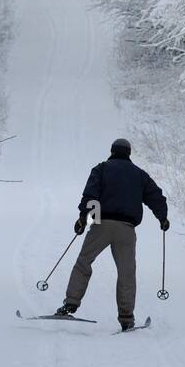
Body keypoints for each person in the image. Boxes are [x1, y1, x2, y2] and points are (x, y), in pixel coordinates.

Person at [55, 137, 168, 330]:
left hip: (102, 224)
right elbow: (156, 197)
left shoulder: (101, 169)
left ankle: (70, 304)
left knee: (84, 262)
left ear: (112, 151)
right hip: (127, 229)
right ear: (129, 153)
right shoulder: (139, 175)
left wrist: (84, 219)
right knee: (127, 273)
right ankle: (126, 318)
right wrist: (162, 218)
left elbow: (91, 196)